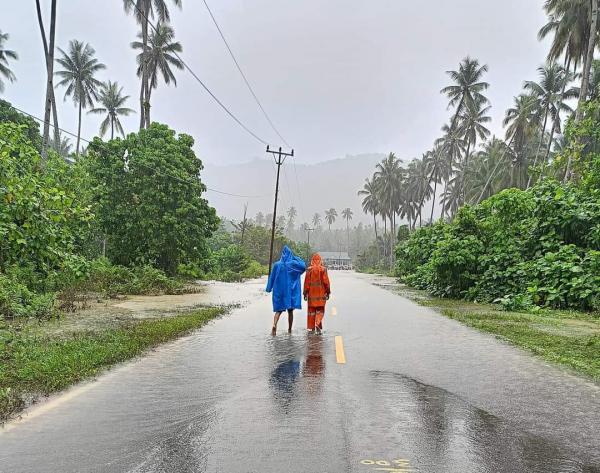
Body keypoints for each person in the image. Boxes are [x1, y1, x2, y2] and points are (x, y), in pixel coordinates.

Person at [266, 245, 306, 335]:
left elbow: (271, 277)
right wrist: (295, 257)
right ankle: (289, 329)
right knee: (290, 311)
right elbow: (303, 266)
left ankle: (274, 325)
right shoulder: (292, 264)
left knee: (278, 310)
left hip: (279, 291)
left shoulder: (277, 265)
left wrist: (269, 288)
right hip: (290, 292)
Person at [303, 253, 331, 334]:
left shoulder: (309, 270)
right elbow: (326, 283)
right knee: (320, 310)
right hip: (321, 295)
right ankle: (317, 323)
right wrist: (328, 292)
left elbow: (306, 283)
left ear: (312, 261)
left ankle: (311, 328)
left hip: (311, 295)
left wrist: (305, 293)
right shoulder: (323, 269)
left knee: (311, 312)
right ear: (320, 261)